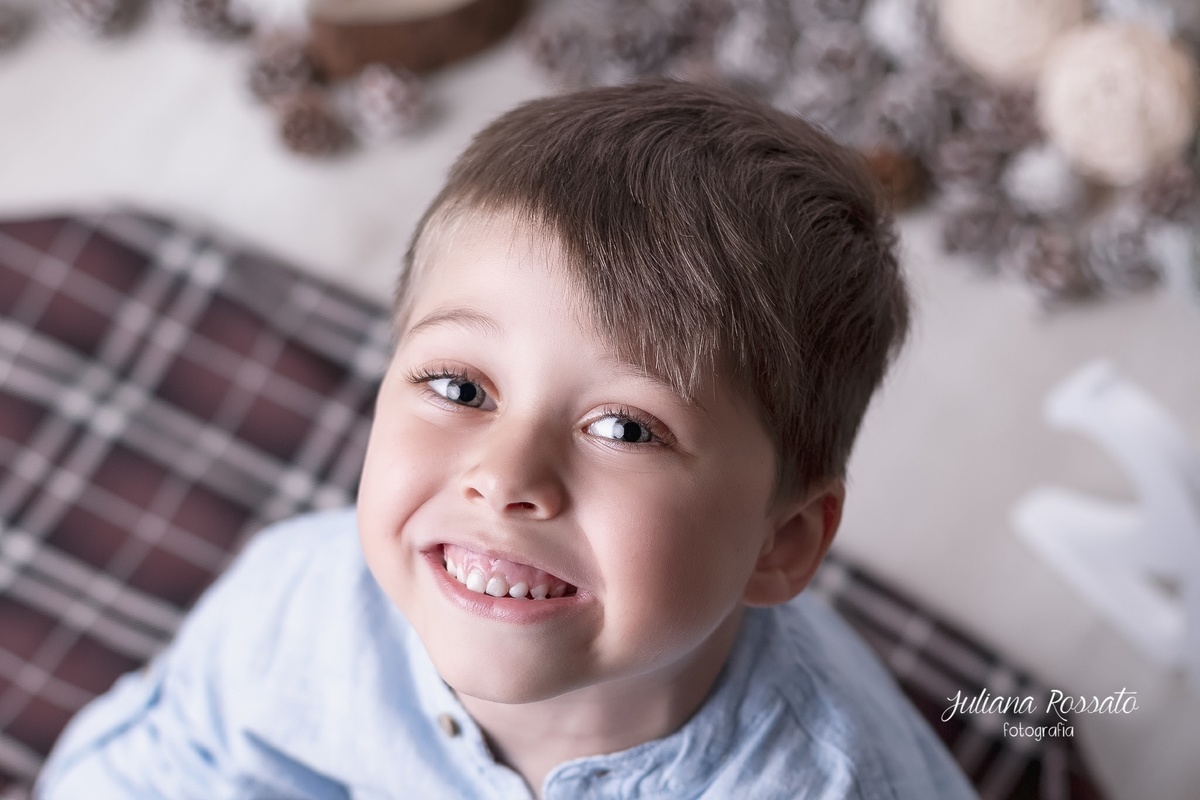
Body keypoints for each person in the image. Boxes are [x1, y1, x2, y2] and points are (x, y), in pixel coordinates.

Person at [37, 80, 977, 799]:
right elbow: (154, 769)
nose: (506, 476)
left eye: (624, 427)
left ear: (782, 543)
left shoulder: (828, 781)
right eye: (459, 386)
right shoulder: (302, 614)